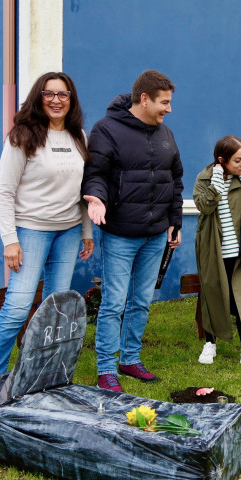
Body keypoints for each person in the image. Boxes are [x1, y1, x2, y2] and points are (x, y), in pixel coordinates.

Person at [0, 72, 94, 384]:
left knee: (56, 310)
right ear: (38, 97)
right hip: (30, 231)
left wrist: (85, 231)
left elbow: (84, 189)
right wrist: (9, 240)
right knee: (16, 308)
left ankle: (44, 375)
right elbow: (3, 192)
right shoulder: (22, 137)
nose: (56, 100)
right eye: (49, 93)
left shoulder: (79, 137)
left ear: (72, 100)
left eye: (63, 94)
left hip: (68, 232)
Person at [82, 70, 183, 392]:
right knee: (114, 302)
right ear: (144, 99)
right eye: (164, 102)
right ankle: (106, 369)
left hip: (155, 235)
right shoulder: (106, 130)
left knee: (141, 301)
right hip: (121, 234)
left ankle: (130, 359)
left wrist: (175, 221)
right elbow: (95, 172)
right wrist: (96, 198)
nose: (168, 109)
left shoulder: (166, 133)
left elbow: (175, 180)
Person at [193, 135, 241, 371]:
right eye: (238, 160)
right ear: (222, 160)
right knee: (212, 295)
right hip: (213, 250)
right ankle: (210, 343)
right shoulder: (204, 178)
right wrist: (216, 183)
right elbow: (204, 206)